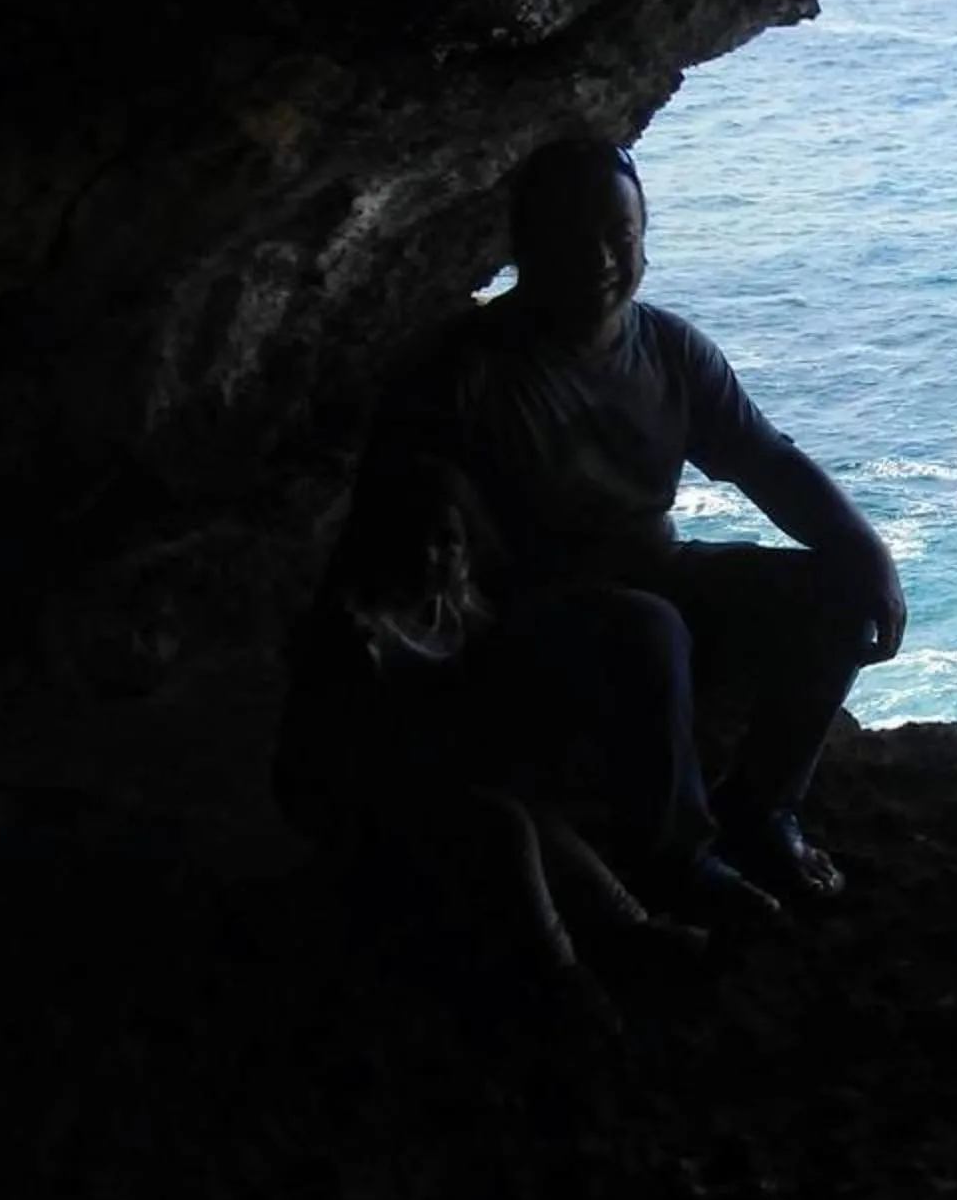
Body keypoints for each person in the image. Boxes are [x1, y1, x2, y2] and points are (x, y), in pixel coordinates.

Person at [368, 135, 904, 910]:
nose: (600, 260)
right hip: (522, 625)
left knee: (837, 593)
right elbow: (409, 525)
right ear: (523, 246)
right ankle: (674, 860)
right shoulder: (465, 373)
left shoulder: (669, 349)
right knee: (646, 627)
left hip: (655, 587)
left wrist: (866, 553)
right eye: (570, 238)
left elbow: (767, 462)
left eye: (619, 238)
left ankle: (759, 811)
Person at [275, 453, 709, 1026]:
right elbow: (350, 750)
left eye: (447, 542)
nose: (434, 556)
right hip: (361, 789)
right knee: (506, 827)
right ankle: (558, 973)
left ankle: (629, 928)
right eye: (415, 541)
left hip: (441, 768)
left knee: (532, 821)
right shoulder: (361, 635)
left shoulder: (457, 608)